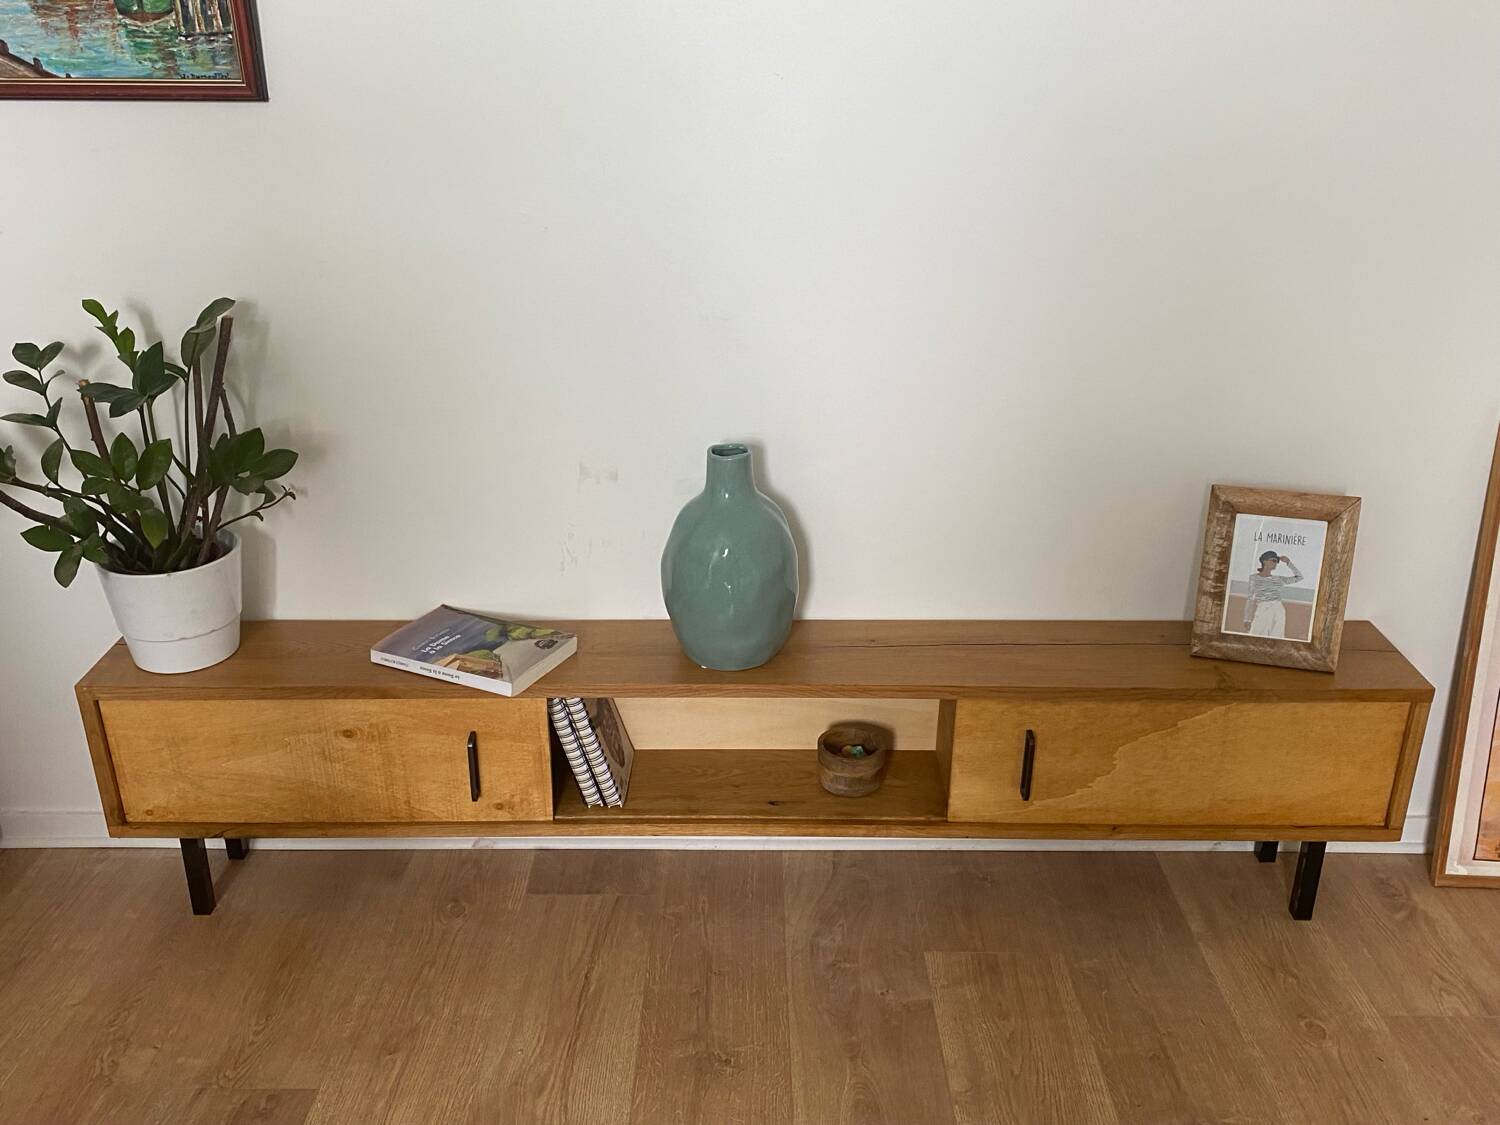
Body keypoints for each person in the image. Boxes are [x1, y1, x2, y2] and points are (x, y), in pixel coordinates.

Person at [1241, 550, 1304, 637]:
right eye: (1273, 560)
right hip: (1263, 608)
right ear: (1264, 561)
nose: (1276, 563)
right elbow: (1250, 599)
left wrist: (1288, 562)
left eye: (1277, 561)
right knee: (1256, 636)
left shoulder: (1279, 579)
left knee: (1277, 638)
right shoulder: (1254, 578)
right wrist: (1247, 619)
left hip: (1278, 609)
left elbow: (1299, 577)